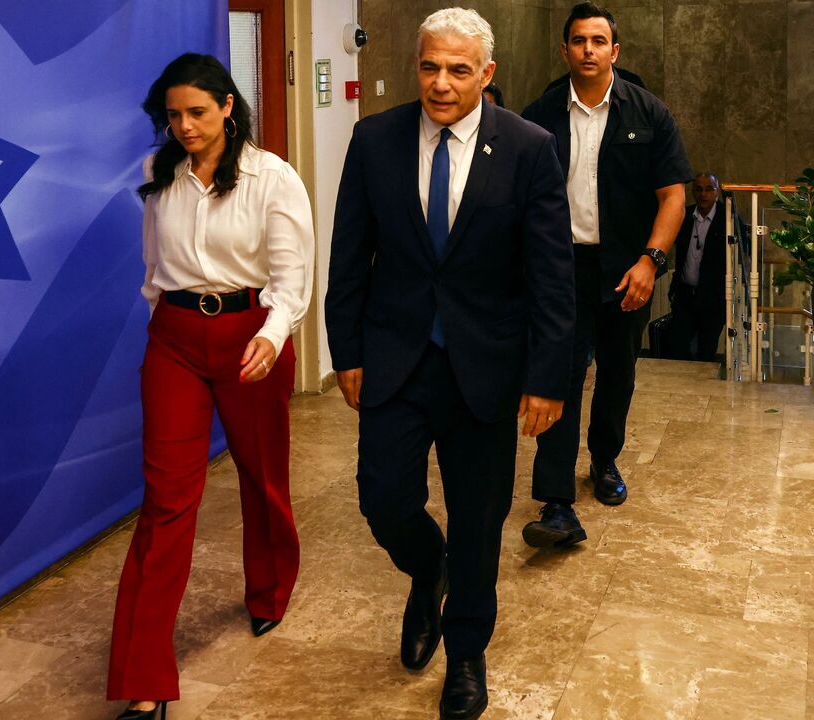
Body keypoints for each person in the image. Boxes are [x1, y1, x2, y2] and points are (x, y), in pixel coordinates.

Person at [326, 9, 573, 718]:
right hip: (395, 359)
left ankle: (466, 652)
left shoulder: (529, 149)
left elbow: (552, 276)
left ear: (486, 74)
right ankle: (426, 567)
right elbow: (350, 256)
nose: (441, 82)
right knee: (383, 498)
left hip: (487, 366)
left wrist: (547, 377)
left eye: (459, 70)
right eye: (431, 66)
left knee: (478, 518)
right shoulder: (375, 140)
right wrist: (347, 351)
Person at [106, 53, 315, 720]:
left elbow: (292, 275)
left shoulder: (271, 177)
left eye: (197, 112)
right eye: (173, 116)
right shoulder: (157, 174)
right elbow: (152, 261)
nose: (185, 127)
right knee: (168, 499)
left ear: (228, 106)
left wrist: (273, 332)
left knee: (261, 475)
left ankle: (269, 590)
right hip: (174, 341)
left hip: (250, 336)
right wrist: (161, 320)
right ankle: (143, 680)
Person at [520, 2, 691, 548]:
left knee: (617, 373)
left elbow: (673, 197)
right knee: (559, 377)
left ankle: (604, 458)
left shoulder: (649, 114)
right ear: (565, 50)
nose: (588, 50)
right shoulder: (538, 116)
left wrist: (651, 262)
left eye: (599, 41)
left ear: (614, 51)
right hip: (559, 268)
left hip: (626, 268)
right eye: (579, 41)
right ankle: (555, 503)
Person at [669, 173, 738, 361]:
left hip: (713, 299)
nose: (703, 194)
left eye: (709, 189)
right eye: (699, 189)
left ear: (717, 192)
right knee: (678, 347)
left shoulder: (728, 219)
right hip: (685, 295)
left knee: (706, 351)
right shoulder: (685, 215)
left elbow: (743, 251)